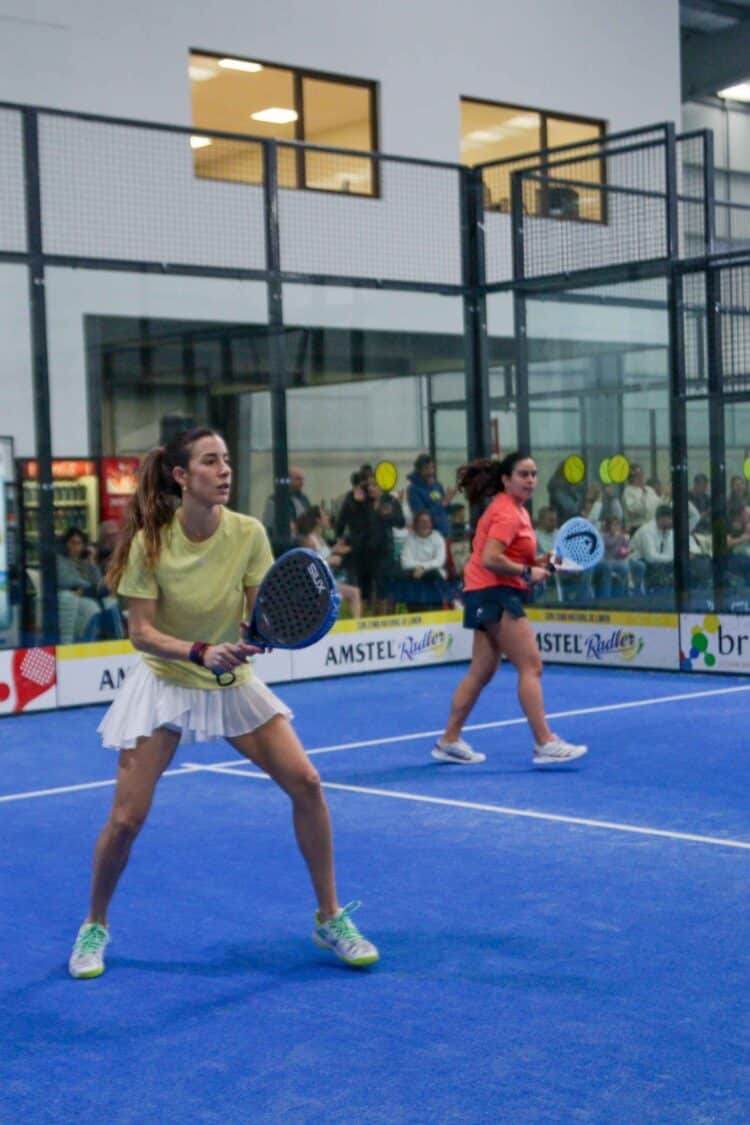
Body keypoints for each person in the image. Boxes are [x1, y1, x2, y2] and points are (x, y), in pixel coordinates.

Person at [68, 428, 378, 980]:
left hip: (229, 679)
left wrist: (246, 641)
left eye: (228, 461)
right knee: (125, 821)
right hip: (166, 681)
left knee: (307, 782)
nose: (226, 470)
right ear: (183, 477)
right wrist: (199, 650)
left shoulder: (248, 533)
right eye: (211, 462)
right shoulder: (150, 542)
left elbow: (264, 617)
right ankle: (95, 924)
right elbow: (140, 632)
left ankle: (330, 918)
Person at [433, 452, 588, 767]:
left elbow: (513, 556)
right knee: (531, 665)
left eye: (533, 474)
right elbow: (492, 558)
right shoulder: (507, 513)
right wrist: (527, 573)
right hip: (495, 592)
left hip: (484, 591)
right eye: (523, 474)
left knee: (481, 671)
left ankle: (449, 740)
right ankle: (545, 742)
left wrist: (541, 563)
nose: (530, 480)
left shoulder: (516, 511)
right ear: (506, 479)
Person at [295, 505, 362, 619]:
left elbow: (322, 555)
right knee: (354, 593)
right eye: (325, 515)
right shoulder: (310, 540)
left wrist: (334, 549)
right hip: (318, 585)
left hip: (327, 580)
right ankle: (358, 627)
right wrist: (329, 561)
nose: (327, 518)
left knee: (353, 592)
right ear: (318, 520)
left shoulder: (320, 538)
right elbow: (311, 565)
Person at [262, 465, 311, 555]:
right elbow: (268, 526)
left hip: (304, 541)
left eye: (302, 479)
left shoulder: (304, 499)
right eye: (298, 479)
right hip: (285, 546)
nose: (302, 482)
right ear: (288, 480)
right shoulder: (275, 501)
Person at [406, 453, 455, 537]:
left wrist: (449, 501)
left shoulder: (437, 485)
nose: (431, 471)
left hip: (444, 534)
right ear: (419, 470)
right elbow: (421, 516)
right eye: (426, 468)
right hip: (428, 537)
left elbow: (444, 509)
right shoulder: (413, 489)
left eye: (432, 468)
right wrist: (443, 503)